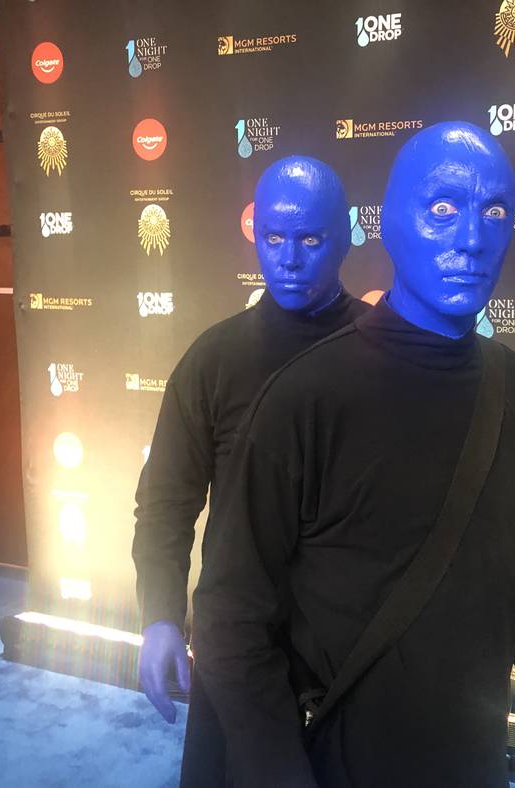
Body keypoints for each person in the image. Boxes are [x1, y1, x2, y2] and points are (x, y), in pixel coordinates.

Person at [194, 121, 515, 788]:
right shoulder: (307, 394)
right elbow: (228, 615)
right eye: (443, 208)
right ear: (387, 223)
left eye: (496, 211)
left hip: (470, 757)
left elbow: (509, 558)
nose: (473, 239)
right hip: (339, 759)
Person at [131, 155, 369, 787]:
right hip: (237, 649)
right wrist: (158, 614)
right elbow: (165, 500)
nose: (288, 258)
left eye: (310, 239)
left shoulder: (384, 354)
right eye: (273, 238)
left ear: (345, 237)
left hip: (356, 654)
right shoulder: (213, 360)